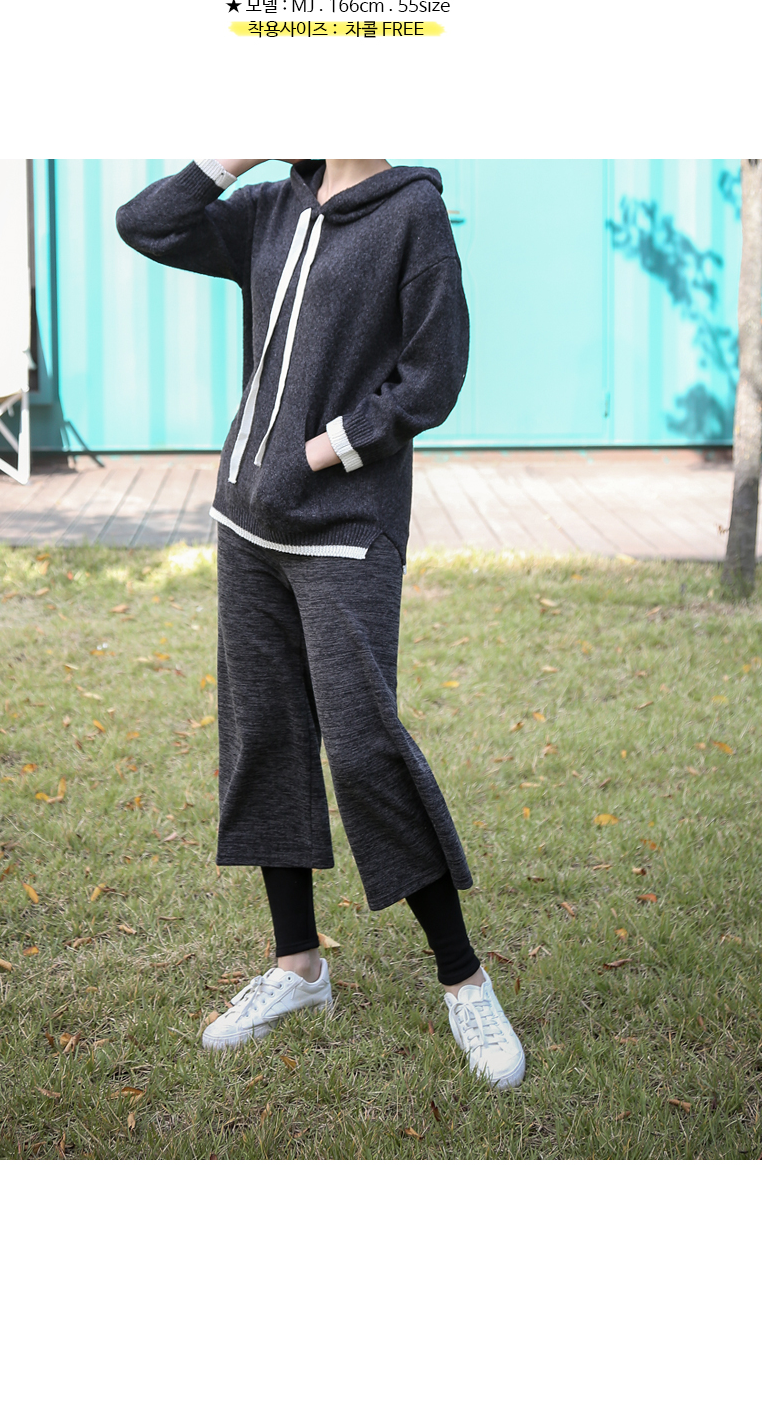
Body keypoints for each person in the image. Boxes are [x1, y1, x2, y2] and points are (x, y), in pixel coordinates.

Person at [116, 158, 525, 1089]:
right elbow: (146, 224)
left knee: (365, 748)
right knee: (265, 739)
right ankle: (298, 967)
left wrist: (328, 449)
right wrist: (228, 158)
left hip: (344, 532)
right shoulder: (271, 206)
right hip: (246, 527)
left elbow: (433, 374)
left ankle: (464, 979)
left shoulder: (412, 214)